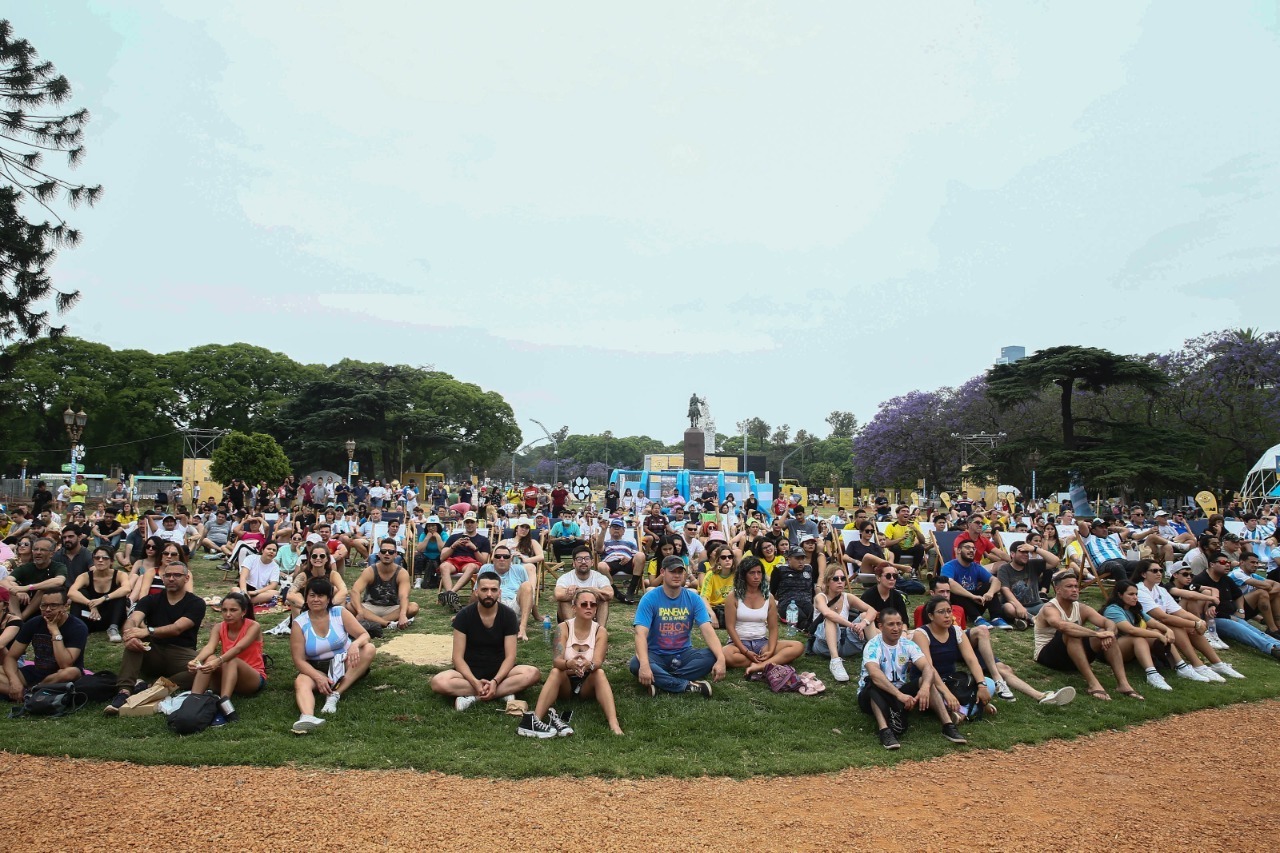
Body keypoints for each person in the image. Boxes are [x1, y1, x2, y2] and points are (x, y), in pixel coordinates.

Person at [429, 570, 543, 710]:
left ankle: (476, 696)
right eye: (484, 589)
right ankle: (502, 692)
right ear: (476, 592)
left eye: (493, 590)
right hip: (470, 671)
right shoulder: (464, 616)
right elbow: (457, 658)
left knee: (532, 673)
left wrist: (495, 681)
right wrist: (474, 682)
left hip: (501, 671)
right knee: (438, 682)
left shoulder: (508, 615)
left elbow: (510, 657)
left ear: (499, 592)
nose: (489, 594)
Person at [857, 608, 966, 750]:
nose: (896, 628)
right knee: (873, 683)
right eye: (891, 624)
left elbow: (927, 667)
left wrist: (925, 688)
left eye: (899, 624)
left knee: (926, 680)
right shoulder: (873, 645)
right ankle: (884, 731)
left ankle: (948, 725)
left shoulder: (907, 644)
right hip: (871, 694)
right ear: (880, 627)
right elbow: (874, 673)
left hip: (899, 690)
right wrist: (899, 695)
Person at [520, 588, 623, 738]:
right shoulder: (563, 628)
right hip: (566, 681)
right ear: (574, 608)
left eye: (593, 604)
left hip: (587, 681)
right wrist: (569, 664)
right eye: (584, 604)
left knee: (600, 673)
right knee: (555, 672)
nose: (589, 607)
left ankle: (614, 724)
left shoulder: (600, 631)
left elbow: (598, 662)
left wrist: (589, 665)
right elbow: (557, 662)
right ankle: (535, 719)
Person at [107, 561, 206, 713]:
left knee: (205, 668)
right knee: (135, 641)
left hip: (181, 652)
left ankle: (151, 686)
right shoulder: (150, 600)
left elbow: (177, 628)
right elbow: (133, 620)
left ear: (186, 578)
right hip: (154, 650)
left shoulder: (196, 603)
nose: (171, 578)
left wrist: (148, 631)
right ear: (163, 578)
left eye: (177, 575)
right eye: (168, 575)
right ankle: (124, 690)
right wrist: (130, 634)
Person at [1032, 571, 1144, 701]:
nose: (1075, 590)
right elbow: (1063, 626)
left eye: (1076, 586)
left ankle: (1123, 684)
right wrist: (1097, 633)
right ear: (1058, 590)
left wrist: (1109, 633)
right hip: (1048, 657)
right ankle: (1093, 684)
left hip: (1074, 656)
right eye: (1069, 586)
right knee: (1071, 633)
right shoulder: (1049, 608)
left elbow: (1108, 622)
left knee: (1107, 635)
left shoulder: (1081, 607)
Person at [630, 555, 726, 697]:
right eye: (672, 571)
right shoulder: (649, 598)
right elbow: (640, 634)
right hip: (655, 654)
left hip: (684, 654)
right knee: (636, 664)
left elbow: (707, 630)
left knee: (713, 655)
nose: (677, 575)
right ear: (662, 572)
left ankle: (662, 681)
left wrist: (721, 658)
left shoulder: (694, 599)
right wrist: (644, 665)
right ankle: (686, 685)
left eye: (680, 572)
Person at [289, 576, 376, 733]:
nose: (316, 599)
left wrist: (355, 644)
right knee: (301, 682)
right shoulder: (299, 623)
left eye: (321, 595)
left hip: (344, 662)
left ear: (328, 599)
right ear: (306, 598)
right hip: (316, 666)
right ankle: (307, 717)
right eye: (312, 595)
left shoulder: (339, 613)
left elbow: (364, 635)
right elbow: (298, 659)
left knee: (369, 648)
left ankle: (335, 695)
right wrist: (317, 676)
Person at [1133, 562, 1239, 682]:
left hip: (1161, 625)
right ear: (1143, 574)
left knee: (1189, 626)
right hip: (1146, 628)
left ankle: (1217, 663)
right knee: (1178, 626)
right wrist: (1195, 623)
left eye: (1161, 570)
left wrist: (1199, 621)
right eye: (1154, 571)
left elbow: (1179, 611)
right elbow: (1163, 617)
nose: (1159, 573)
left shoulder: (1160, 590)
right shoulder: (1140, 591)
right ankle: (1197, 665)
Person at [911, 596, 995, 722]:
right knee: (936, 695)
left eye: (949, 611)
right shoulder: (921, 634)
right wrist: (947, 693)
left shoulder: (956, 631)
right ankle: (973, 707)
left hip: (952, 681)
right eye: (941, 612)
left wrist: (982, 686)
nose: (947, 616)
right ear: (931, 616)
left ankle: (962, 710)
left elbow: (972, 660)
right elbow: (929, 668)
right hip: (929, 682)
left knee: (989, 683)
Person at [189, 591, 267, 724]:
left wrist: (219, 660)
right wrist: (196, 661)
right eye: (224, 610)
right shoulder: (219, 627)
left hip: (251, 678)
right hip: (228, 675)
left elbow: (238, 648)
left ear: (243, 611)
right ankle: (193, 701)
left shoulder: (254, 626)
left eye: (233, 610)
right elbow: (210, 647)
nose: (228, 614)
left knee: (231, 660)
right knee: (210, 658)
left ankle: (224, 705)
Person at [722, 555, 804, 679]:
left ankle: (760, 665)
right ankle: (769, 662)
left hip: (761, 643)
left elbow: (773, 628)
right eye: (752, 573)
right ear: (743, 575)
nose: (756, 577)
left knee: (797, 646)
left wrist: (770, 650)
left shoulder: (768, 597)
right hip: (738, 644)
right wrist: (745, 651)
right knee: (725, 654)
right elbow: (730, 627)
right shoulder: (732, 597)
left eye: (759, 572)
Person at [2, 587, 88, 699]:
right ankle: (27, 693)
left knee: (71, 672)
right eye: (43, 605)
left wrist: (55, 631)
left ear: (66, 606)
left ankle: (32, 692)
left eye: (53, 605)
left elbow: (65, 664)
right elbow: (11, 657)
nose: (47, 610)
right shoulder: (33, 623)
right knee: (8, 673)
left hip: (60, 676)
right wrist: (14, 681)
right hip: (36, 672)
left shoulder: (78, 627)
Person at [1099, 580, 1176, 692]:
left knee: (1157, 630)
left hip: (1126, 647)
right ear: (1120, 595)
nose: (1135, 597)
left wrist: (1168, 630)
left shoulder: (1133, 608)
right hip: (1109, 649)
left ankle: (1181, 666)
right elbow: (1131, 630)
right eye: (1131, 594)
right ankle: (1152, 674)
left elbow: (1153, 623)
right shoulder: (1112, 610)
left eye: (1136, 594)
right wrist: (1157, 635)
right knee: (1138, 638)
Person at [812, 565, 878, 683]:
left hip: (845, 642)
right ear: (827, 581)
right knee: (831, 618)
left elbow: (872, 610)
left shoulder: (848, 597)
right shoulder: (820, 597)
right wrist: (852, 625)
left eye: (842, 579)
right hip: (824, 645)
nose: (840, 582)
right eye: (835, 579)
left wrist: (863, 623)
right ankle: (835, 661)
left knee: (865, 616)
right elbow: (827, 613)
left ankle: (878, 655)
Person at [350, 539, 419, 636]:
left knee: (413, 607)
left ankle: (375, 622)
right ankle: (387, 623)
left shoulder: (402, 573)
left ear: (395, 555)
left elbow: (404, 596)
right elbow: (355, 591)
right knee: (349, 606)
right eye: (383, 551)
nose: (387, 554)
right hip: (370, 607)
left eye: (390, 552)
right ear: (379, 554)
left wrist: (403, 614)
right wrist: (360, 611)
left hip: (392, 608)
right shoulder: (370, 571)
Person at [67, 545, 130, 642]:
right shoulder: (85, 576)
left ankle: (113, 628)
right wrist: (90, 604)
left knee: (119, 594)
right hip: (91, 616)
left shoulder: (120, 575)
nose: (100, 560)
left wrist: (103, 598)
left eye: (105, 558)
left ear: (111, 561)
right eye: (97, 558)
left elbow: (127, 589)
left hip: (110, 616)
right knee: (81, 593)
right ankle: (76, 628)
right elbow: (71, 592)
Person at [940, 540, 1009, 629]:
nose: (972, 550)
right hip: (960, 605)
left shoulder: (976, 567)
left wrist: (990, 593)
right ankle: (977, 618)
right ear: (959, 550)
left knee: (989, 585)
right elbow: (949, 583)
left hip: (976, 602)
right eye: (968, 547)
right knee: (953, 591)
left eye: (973, 548)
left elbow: (996, 581)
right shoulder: (949, 566)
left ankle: (996, 618)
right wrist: (972, 596)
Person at [3, 537, 68, 620]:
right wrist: (17, 591)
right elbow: (4, 581)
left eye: (43, 550)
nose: (38, 552)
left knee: (44, 588)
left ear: (51, 553)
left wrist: (27, 587)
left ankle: (20, 620)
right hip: (23, 604)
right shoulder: (26, 567)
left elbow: (59, 581)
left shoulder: (58, 567)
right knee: (11, 585)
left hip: (47, 606)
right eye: (36, 549)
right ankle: (17, 619)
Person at [437, 512, 491, 611]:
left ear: (477, 523)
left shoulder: (483, 540)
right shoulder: (454, 537)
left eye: (472, 522)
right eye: (467, 522)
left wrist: (474, 548)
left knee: (471, 566)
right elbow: (442, 557)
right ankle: (451, 597)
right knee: (443, 566)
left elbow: (484, 561)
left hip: (471, 563)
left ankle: (450, 593)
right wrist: (453, 546)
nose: (469, 524)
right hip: (454, 561)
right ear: (464, 523)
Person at [554, 545, 613, 624]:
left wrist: (578, 591)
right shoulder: (565, 577)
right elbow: (558, 595)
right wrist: (591, 591)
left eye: (587, 559)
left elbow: (609, 594)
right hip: (571, 614)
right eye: (579, 559)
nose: (583, 562)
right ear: (574, 563)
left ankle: (600, 629)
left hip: (593, 615)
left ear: (592, 562)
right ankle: (572, 629)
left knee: (604, 600)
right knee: (564, 600)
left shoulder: (600, 577)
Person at [994, 543, 1046, 629]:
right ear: (1012, 554)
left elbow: (1055, 561)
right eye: (1022, 552)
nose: (1026, 555)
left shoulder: (1033, 564)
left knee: (1051, 607)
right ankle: (1034, 619)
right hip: (1014, 606)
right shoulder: (1004, 569)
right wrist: (1018, 606)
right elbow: (1005, 590)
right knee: (1008, 608)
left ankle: (1025, 620)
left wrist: (1035, 549)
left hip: (1036, 605)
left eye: (1027, 552)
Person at [488, 544, 533, 642]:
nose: (502, 559)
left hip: (515, 604)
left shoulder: (519, 569)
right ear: (493, 559)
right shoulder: (486, 569)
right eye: (498, 556)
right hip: (494, 605)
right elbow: (477, 593)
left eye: (506, 556)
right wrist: (465, 613)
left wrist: (537, 615)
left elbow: (528, 593)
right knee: (494, 589)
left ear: (510, 559)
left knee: (527, 585)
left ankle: (522, 629)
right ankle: (496, 628)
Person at [238, 540, 283, 606]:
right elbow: (243, 577)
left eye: (274, 550)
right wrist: (244, 592)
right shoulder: (251, 558)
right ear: (262, 550)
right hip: (245, 587)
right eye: (269, 549)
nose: (271, 551)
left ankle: (242, 601)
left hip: (260, 591)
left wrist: (256, 592)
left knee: (276, 593)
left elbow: (273, 585)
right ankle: (245, 599)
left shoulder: (275, 566)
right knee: (235, 589)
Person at [884, 505, 928, 572]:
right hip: (897, 550)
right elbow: (886, 543)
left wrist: (916, 530)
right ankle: (896, 570)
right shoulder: (891, 526)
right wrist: (901, 538)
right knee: (895, 547)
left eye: (907, 511)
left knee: (920, 547)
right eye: (903, 511)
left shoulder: (913, 524)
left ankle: (913, 570)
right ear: (897, 514)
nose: (906, 513)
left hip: (910, 548)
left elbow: (923, 541)